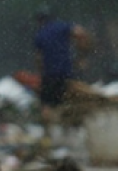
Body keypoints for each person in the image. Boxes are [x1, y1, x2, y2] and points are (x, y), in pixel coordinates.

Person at [33, 7, 91, 137]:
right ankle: (72, 132)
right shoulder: (62, 26)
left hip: (50, 75)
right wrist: (82, 54)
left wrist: (42, 75)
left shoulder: (40, 35)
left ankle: (49, 137)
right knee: (69, 101)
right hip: (66, 73)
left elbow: (39, 59)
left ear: (39, 21)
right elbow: (81, 33)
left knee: (47, 105)